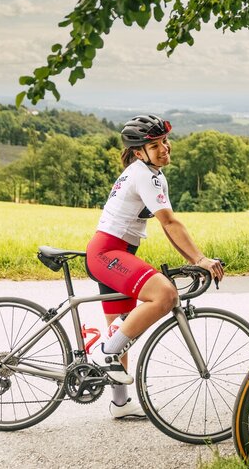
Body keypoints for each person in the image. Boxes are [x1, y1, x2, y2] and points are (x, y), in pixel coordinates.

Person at [86, 115, 224, 419]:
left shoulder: (143, 171)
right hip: (109, 251)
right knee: (165, 294)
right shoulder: (146, 175)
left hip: (110, 251)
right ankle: (103, 354)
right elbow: (170, 222)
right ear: (139, 151)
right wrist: (200, 259)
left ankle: (120, 404)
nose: (165, 149)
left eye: (164, 142)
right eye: (155, 145)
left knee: (122, 325)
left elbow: (167, 226)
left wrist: (192, 259)